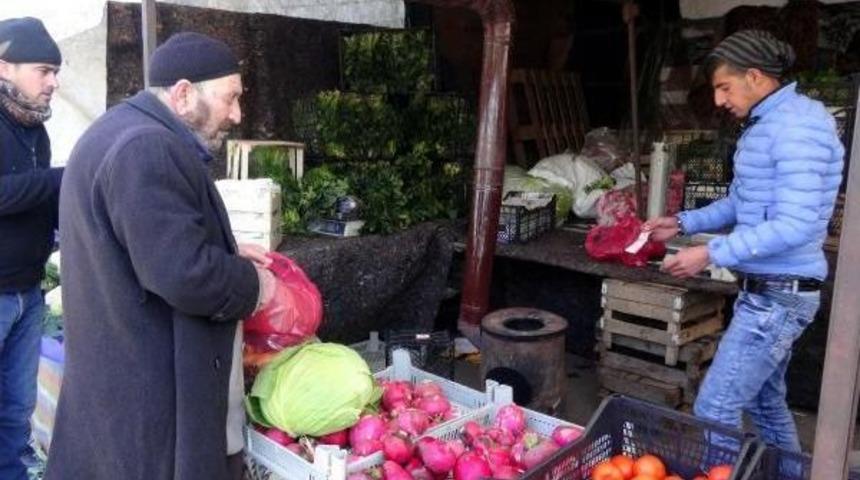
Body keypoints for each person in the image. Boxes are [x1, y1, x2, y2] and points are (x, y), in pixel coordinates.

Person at [44, 32, 275, 480]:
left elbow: (144, 243)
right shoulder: (146, 148)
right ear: (184, 94)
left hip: (119, 376)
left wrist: (222, 248)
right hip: (148, 395)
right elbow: (184, 274)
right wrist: (254, 285)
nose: (237, 114)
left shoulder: (117, 128)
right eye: (230, 98)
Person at [644, 30, 844, 452]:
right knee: (765, 404)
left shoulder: (797, 128)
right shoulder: (768, 124)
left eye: (724, 87)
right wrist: (681, 223)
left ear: (754, 76)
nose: (719, 100)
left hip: (779, 297)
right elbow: (741, 202)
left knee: (715, 409)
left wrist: (710, 252)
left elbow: (794, 225)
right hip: (767, 292)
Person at [0, 17, 63, 480]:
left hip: (28, 292)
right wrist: (62, 178)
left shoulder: (35, 131)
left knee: (17, 408)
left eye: (55, 72)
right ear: (4, 67)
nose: (53, 82)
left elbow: (39, 198)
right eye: (43, 70)